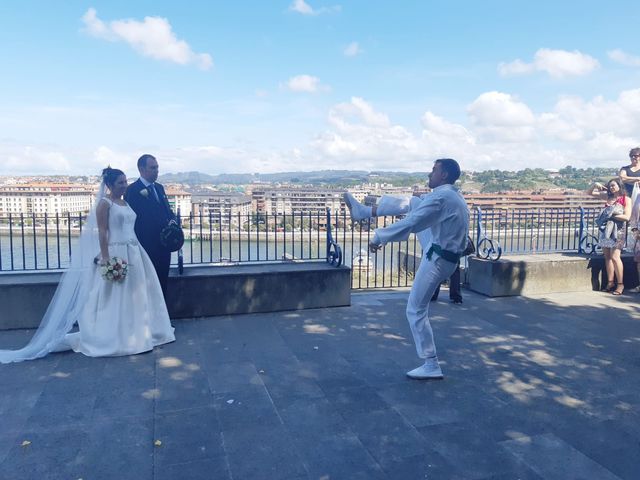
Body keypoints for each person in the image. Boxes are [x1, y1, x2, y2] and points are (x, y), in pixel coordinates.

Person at [0, 167, 175, 363]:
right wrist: (107, 258)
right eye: (120, 183)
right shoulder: (104, 204)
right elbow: (102, 232)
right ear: (109, 185)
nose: (125, 185)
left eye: (125, 182)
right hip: (116, 252)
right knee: (114, 296)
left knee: (136, 294)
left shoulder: (124, 202)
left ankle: (137, 330)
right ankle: (115, 335)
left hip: (134, 251)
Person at [344, 158, 469, 379]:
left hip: (438, 259)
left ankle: (431, 364)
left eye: (434, 170)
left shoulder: (441, 197)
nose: (430, 174)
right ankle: (364, 211)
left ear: (445, 176)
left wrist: (379, 237)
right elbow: (416, 215)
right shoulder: (453, 195)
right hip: (442, 250)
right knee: (413, 202)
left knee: (415, 310)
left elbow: (412, 223)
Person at [125, 154, 176, 299]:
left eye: (157, 167)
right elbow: (130, 219)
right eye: (153, 168)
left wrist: (172, 220)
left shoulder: (159, 188)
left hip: (164, 246)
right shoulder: (133, 190)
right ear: (142, 169)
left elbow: (167, 211)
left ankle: (163, 320)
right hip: (146, 247)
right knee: (146, 285)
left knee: (162, 282)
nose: (157, 171)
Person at [587, 178, 631, 295]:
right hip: (606, 231)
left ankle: (620, 284)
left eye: (614, 185)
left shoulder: (626, 199)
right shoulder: (608, 197)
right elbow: (589, 193)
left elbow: (627, 217)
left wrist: (610, 215)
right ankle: (610, 282)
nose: (611, 188)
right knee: (607, 257)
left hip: (618, 231)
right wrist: (594, 184)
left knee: (615, 257)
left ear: (619, 186)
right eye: (610, 186)